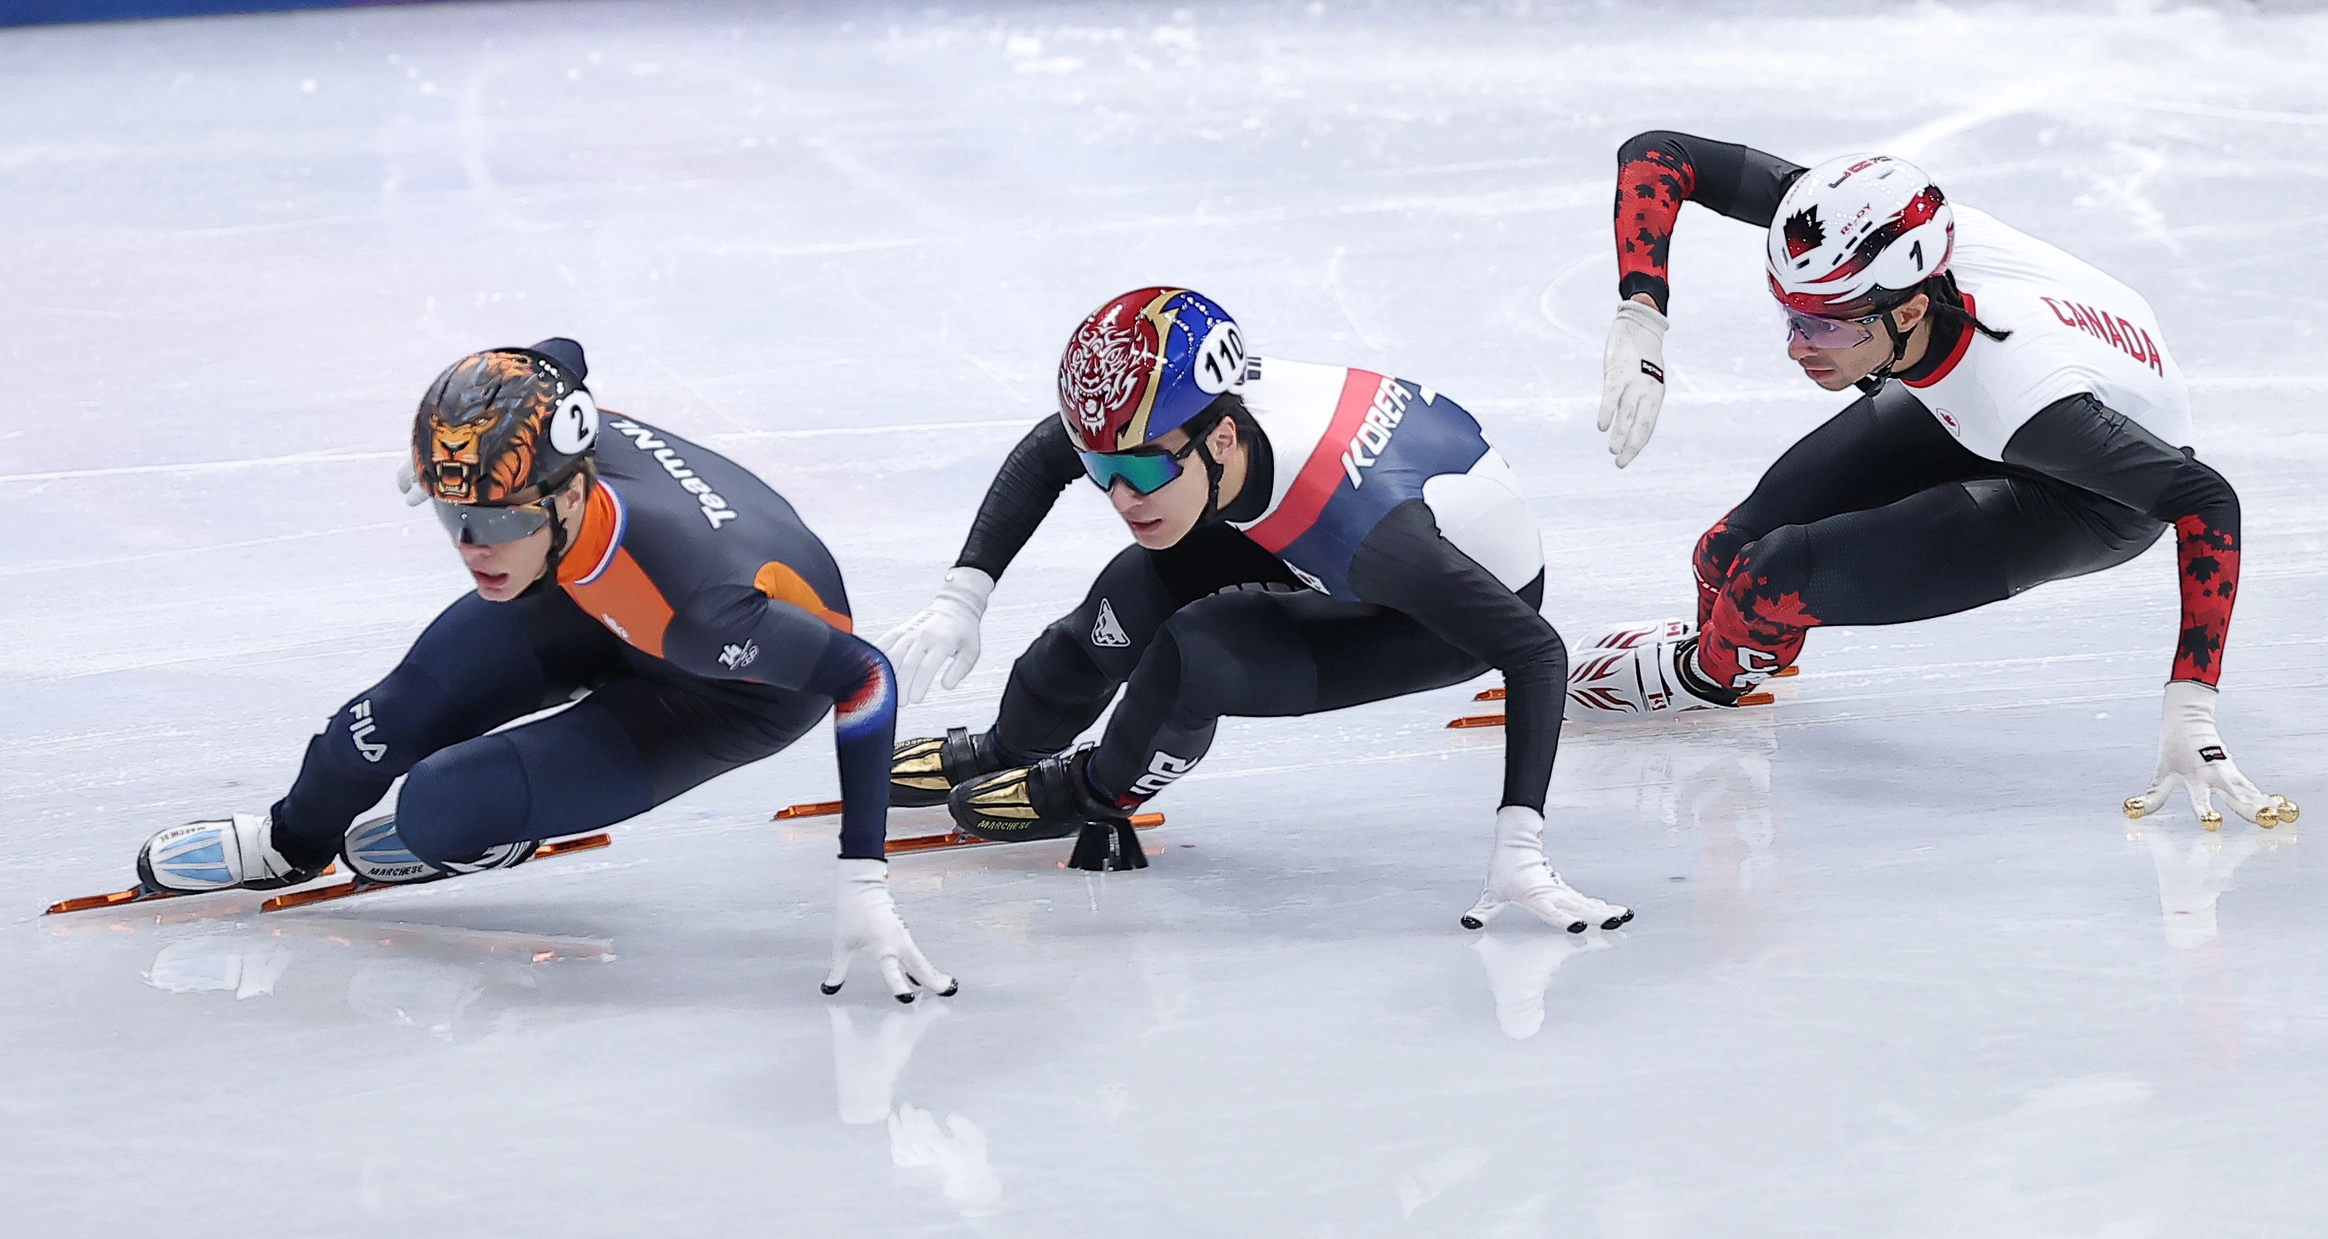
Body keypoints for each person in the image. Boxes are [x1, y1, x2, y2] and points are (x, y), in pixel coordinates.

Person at [133, 338, 954, 1001]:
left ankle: (487, 831)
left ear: (567, 491)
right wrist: (459, 460)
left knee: (438, 810)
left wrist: (862, 875)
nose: (473, 549)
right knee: (374, 731)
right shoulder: (539, 456)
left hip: (728, 685)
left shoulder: (698, 604)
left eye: (496, 520)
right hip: (585, 591)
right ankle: (286, 843)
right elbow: (555, 353)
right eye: (455, 516)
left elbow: (864, 675)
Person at [1569, 131, 2295, 831]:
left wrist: (2190, 704)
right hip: (2012, 386)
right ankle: (1749, 650)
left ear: (1910, 308)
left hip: (2091, 492)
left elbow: (2206, 499)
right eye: (1789, 314)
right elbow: (1661, 153)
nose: (1797, 347)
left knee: (1768, 581)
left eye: (1825, 327)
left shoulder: (2017, 397)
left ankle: (1716, 673)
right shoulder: (1880, 244)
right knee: (1722, 555)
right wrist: (1643, 312)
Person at [878, 287, 1631, 933]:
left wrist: (1519, 843)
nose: (1119, 497)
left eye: (1138, 469)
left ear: (1224, 437)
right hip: (1322, 521)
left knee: (1195, 655)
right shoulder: (1189, 417)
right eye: (1102, 469)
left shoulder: (1369, 532)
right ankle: (1009, 744)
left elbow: (1536, 650)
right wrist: (962, 596)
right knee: (1121, 601)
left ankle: (1096, 788)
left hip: (1433, 604)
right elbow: (1049, 450)